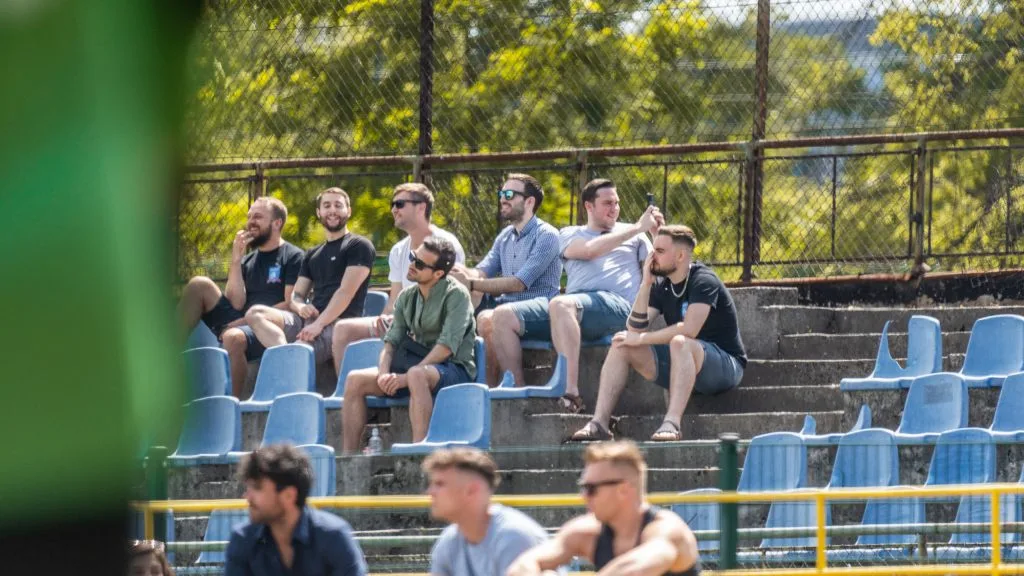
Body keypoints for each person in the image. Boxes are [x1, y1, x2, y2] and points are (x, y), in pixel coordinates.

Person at [569, 225, 746, 442]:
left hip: (724, 366)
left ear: (680, 256)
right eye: (653, 250)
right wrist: (646, 284)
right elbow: (634, 329)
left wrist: (641, 339)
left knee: (680, 342)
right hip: (684, 365)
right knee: (622, 343)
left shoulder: (703, 280)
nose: (653, 257)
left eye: (660, 251)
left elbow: (689, 329)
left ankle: (671, 423)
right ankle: (599, 424)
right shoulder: (663, 286)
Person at [341, 237, 475, 453]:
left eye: (420, 264)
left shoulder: (457, 295)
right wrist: (384, 374)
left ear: (438, 274)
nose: (412, 265)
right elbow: (390, 343)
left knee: (416, 375)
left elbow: (446, 347)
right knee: (355, 380)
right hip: (415, 366)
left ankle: (418, 454)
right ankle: (347, 458)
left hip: (454, 368)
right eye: (413, 257)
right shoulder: (406, 296)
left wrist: (405, 377)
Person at [548, 178, 661, 413]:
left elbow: (660, 275)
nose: (615, 208)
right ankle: (513, 398)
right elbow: (588, 251)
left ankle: (570, 393)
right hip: (576, 307)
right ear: (589, 206)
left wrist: (657, 236)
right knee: (500, 317)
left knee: (560, 304)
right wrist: (637, 227)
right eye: (608, 203)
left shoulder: (637, 235)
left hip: (619, 308)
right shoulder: (569, 233)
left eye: (617, 203)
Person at [506, 441, 700, 576]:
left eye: (591, 489)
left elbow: (636, 569)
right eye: (583, 487)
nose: (583, 496)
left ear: (623, 490)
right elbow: (524, 565)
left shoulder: (667, 529)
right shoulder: (587, 532)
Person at [331, 183, 465, 376]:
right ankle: (344, 390)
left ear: (421, 207)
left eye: (400, 204)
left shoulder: (446, 245)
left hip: (432, 325)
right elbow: (394, 299)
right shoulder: (398, 250)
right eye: (392, 204)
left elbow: (450, 299)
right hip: (401, 322)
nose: (394, 209)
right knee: (343, 329)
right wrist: (385, 317)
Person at [177, 196, 305, 395]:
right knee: (198, 284)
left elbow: (290, 303)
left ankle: (233, 404)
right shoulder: (248, 260)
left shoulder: (294, 256)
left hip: (270, 325)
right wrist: (236, 260)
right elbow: (236, 302)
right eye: (249, 216)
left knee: (233, 337)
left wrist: (243, 322)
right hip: (243, 319)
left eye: (258, 217)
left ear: (277, 223)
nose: (251, 222)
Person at [448, 173, 562, 387]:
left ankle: (516, 388)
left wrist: (471, 284)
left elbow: (519, 283)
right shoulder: (505, 236)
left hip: (544, 311)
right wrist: (456, 272)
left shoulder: (547, 235)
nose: (502, 199)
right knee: (484, 318)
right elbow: (482, 271)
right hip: (509, 310)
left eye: (509, 194)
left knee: (500, 314)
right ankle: (491, 390)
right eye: (501, 193)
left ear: (529, 202)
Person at [246, 187, 375, 367]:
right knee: (255, 313)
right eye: (326, 206)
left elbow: (345, 292)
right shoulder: (313, 254)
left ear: (349, 211)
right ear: (318, 212)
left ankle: (292, 359)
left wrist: (318, 325)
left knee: (301, 349)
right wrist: (300, 307)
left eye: (338, 205)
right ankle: (287, 355)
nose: (332, 210)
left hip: (339, 324)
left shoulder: (359, 245)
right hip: (309, 320)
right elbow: (297, 295)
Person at [225, 444, 368, 576]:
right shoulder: (242, 539)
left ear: (289, 495)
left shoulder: (333, 537)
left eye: (257, 488)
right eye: (248, 488)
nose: (247, 497)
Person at [425, 448, 562, 576]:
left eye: (439, 484)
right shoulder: (449, 542)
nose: (430, 492)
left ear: (472, 490)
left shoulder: (513, 538)